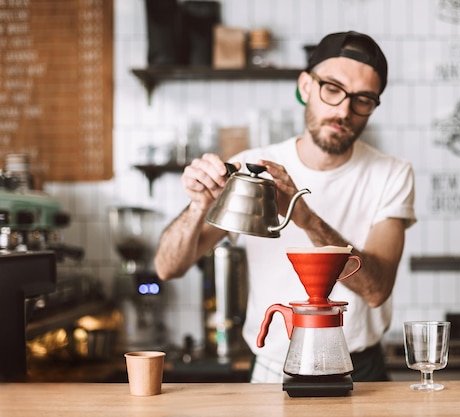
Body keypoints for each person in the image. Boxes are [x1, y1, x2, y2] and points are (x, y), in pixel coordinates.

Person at [154, 31, 416, 382]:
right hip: (272, 373)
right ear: (306, 86)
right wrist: (198, 206)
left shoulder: (391, 174)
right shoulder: (252, 166)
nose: (344, 110)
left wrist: (303, 216)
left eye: (363, 99)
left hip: (360, 371)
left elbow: (377, 290)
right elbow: (167, 267)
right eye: (332, 89)